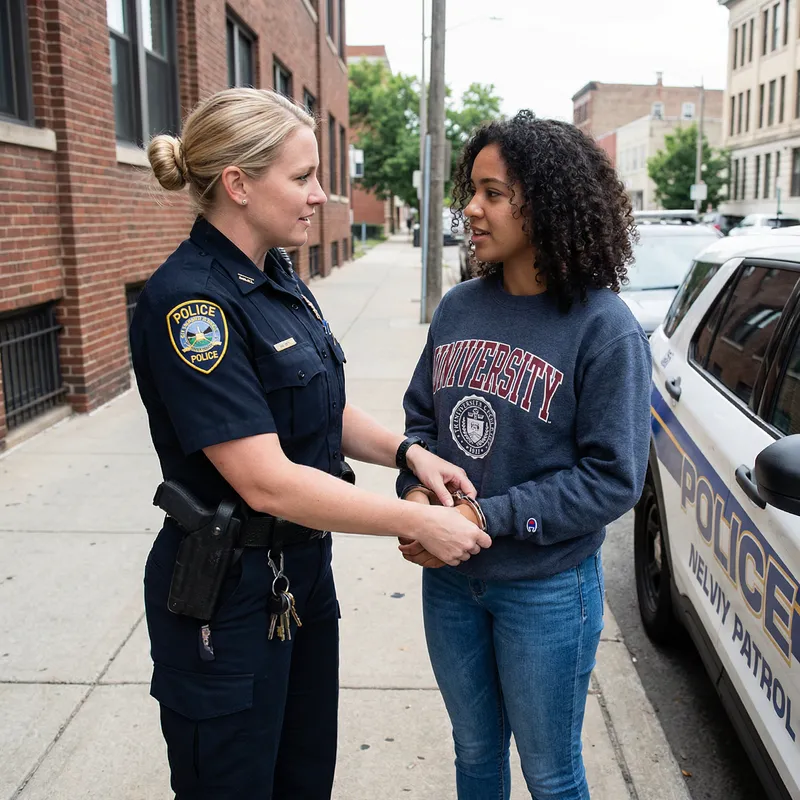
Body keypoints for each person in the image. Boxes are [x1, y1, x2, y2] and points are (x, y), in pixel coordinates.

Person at [129, 87, 491, 800]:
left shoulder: (276, 276)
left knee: (303, 782)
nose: (323, 197)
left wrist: (408, 454)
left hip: (298, 577)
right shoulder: (193, 305)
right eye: (302, 178)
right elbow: (265, 478)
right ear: (237, 183)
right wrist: (418, 520)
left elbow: (320, 407)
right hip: (227, 597)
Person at [395, 111, 652, 800]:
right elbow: (422, 423)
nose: (471, 209)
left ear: (549, 203)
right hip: (450, 582)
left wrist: (485, 515)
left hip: (545, 589)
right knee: (475, 752)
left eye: (493, 193)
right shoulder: (457, 309)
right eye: (470, 191)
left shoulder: (604, 329)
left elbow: (613, 480)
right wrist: (418, 500)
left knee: (551, 773)